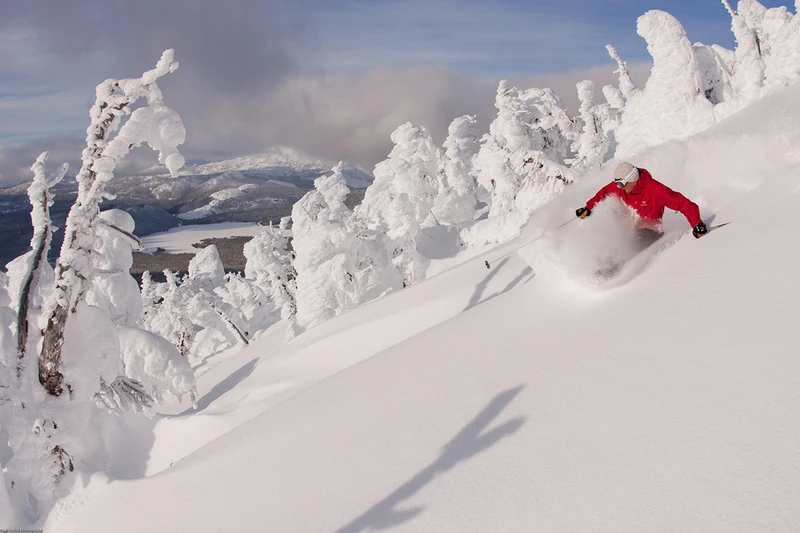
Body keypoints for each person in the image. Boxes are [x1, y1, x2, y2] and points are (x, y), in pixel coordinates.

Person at [575, 162, 707, 243]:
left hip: (650, 230)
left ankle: (620, 265)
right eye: (617, 184)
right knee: (612, 235)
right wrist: (588, 208)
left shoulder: (657, 191)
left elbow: (684, 203)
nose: (619, 187)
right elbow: (603, 193)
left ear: (632, 179)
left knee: (638, 240)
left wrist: (697, 224)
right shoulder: (622, 187)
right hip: (628, 228)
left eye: (622, 184)